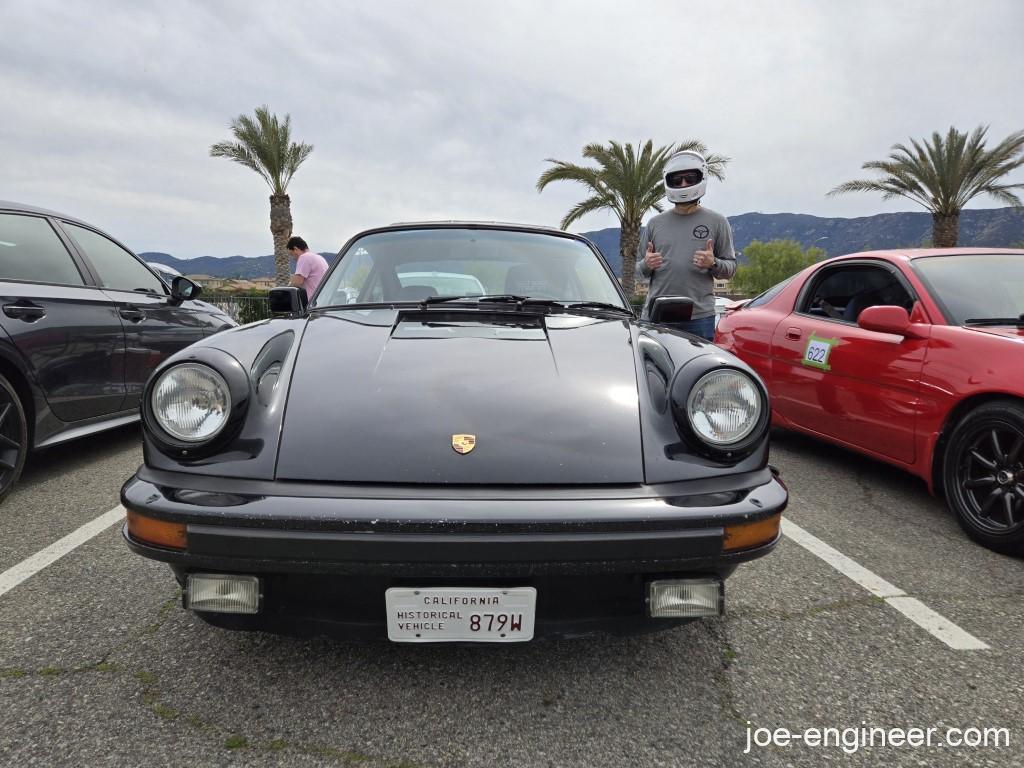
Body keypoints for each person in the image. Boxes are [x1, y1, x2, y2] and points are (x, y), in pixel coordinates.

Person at [635, 150, 737, 341]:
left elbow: (730, 269)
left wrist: (713, 263)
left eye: (690, 178)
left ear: (701, 178)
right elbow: (638, 271)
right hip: (657, 316)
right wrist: (646, 265)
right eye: (677, 180)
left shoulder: (717, 221)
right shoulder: (654, 224)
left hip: (699, 318)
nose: (684, 184)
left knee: (699, 369)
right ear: (668, 182)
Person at [287, 236, 329, 301]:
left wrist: (286, 288)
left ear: (295, 249)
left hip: (312, 304)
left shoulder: (304, 257)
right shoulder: (320, 258)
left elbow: (297, 283)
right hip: (323, 302)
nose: (293, 259)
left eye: (291, 254)